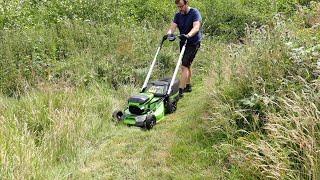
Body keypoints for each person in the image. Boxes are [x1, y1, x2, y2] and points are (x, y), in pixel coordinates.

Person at [167, 0, 202, 98]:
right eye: (178, 7)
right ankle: (188, 85)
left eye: (181, 6)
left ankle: (180, 91)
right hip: (183, 42)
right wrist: (169, 34)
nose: (180, 9)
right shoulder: (178, 15)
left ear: (187, 4)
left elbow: (196, 27)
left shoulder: (195, 12)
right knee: (187, 65)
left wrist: (188, 35)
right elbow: (172, 27)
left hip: (193, 42)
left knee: (184, 66)